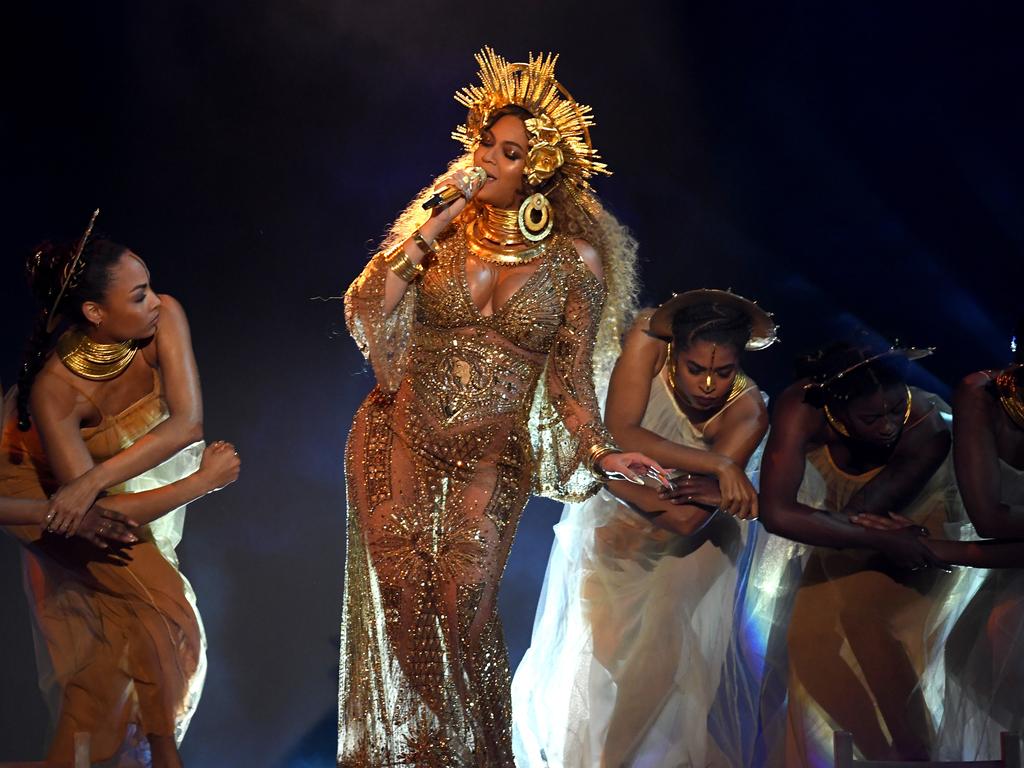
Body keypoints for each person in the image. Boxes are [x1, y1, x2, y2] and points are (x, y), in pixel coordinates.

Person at [338, 48, 661, 766]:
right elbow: (367, 304)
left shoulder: (575, 262)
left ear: (539, 169)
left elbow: (570, 382)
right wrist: (433, 217)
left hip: (489, 459)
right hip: (398, 436)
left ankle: (472, 752)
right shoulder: (440, 231)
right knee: (405, 613)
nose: (486, 159)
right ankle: (427, 754)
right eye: (483, 142)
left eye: (507, 152)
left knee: (459, 617)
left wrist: (605, 452)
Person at [0, 211, 240, 767]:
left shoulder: (164, 318)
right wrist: (202, 483)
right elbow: (94, 516)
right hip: (42, 500)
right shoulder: (56, 392)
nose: (155, 300)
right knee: (160, 618)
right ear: (94, 312)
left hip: (89, 492)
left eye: (150, 284)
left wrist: (92, 479)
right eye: (138, 295)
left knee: (117, 652)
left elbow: (188, 424)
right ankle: (162, 757)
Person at [512, 289, 778, 767]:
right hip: (614, 532)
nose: (709, 384)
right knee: (605, 660)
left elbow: (686, 518)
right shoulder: (648, 336)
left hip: (693, 550)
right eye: (696, 369)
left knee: (657, 667)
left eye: (724, 371)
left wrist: (606, 475)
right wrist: (716, 465)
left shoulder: (748, 412)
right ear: (675, 351)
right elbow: (622, 431)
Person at [758, 339, 967, 765]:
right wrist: (879, 536)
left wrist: (892, 539)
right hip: (853, 526)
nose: (889, 425)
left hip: (912, 518)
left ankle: (914, 751)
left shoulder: (926, 425)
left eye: (896, 409)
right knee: (805, 639)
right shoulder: (803, 406)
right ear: (836, 409)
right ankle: (877, 755)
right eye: (872, 417)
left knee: (863, 618)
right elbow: (777, 513)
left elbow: (865, 514)